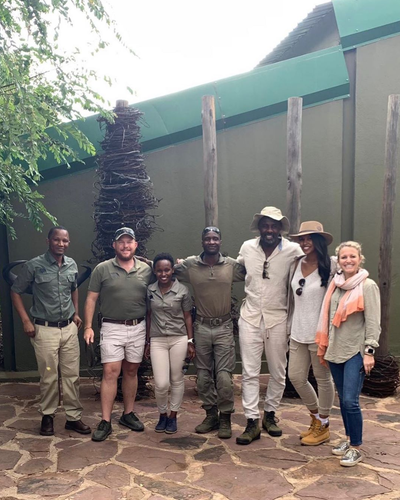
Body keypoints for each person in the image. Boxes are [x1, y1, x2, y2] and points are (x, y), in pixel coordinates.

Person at [10, 226, 90, 436]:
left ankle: (73, 417)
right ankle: (48, 415)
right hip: (45, 330)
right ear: (48, 241)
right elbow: (15, 291)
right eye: (57, 240)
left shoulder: (71, 264)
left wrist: (76, 313)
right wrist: (26, 321)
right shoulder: (34, 265)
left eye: (65, 240)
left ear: (68, 243)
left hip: (69, 329)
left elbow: (73, 289)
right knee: (49, 376)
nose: (61, 244)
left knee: (72, 376)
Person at [236, 206, 304, 445]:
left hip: (278, 318)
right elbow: (236, 267)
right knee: (249, 372)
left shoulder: (293, 250)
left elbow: (313, 262)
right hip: (250, 317)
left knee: (278, 371)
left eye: (274, 226)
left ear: (280, 228)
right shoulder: (247, 247)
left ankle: (270, 414)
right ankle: (252, 420)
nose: (269, 230)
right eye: (265, 225)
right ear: (259, 227)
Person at [174, 227, 245, 439]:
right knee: (203, 376)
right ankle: (211, 415)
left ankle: (225, 418)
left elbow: (255, 273)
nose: (211, 242)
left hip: (223, 326)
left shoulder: (231, 265)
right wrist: (144, 262)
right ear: (202, 241)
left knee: (223, 377)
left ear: (220, 241)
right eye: (207, 238)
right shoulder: (190, 265)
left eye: (215, 238)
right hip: (201, 327)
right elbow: (165, 269)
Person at [84, 227, 153, 441]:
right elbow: (91, 299)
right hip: (112, 327)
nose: (125, 245)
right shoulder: (102, 269)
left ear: (135, 245)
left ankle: (128, 414)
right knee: (110, 372)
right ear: (114, 245)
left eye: (129, 241)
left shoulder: (146, 270)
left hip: (138, 327)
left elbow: (157, 293)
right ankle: (105, 421)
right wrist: (88, 326)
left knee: (131, 371)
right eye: (121, 242)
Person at [316, 241, 381, 466]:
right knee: (343, 400)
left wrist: (369, 352)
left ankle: (356, 447)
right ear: (339, 261)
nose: (348, 260)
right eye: (344, 257)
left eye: (352, 256)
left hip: (355, 351)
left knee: (351, 401)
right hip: (336, 350)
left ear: (360, 259)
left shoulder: (368, 286)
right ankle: (348, 438)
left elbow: (373, 321)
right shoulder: (336, 284)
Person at [287, 221, 336, 446]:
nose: (305, 243)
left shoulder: (331, 265)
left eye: (309, 238)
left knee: (323, 379)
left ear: (319, 241)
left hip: (319, 334)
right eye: (302, 239)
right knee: (296, 376)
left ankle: (323, 425)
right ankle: (316, 418)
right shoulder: (296, 263)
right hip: (297, 331)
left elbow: (353, 274)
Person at [144, 253, 195, 434]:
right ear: (154, 271)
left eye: (167, 270)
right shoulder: (150, 290)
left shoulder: (183, 290)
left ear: (172, 270)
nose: (163, 274)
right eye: (159, 270)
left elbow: (188, 317)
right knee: (161, 383)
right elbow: (149, 316)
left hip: (178, 338)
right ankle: (162, 414)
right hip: (157, 339)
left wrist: (190, 341)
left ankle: (172, 416)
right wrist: (147, 341)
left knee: (176, 379)